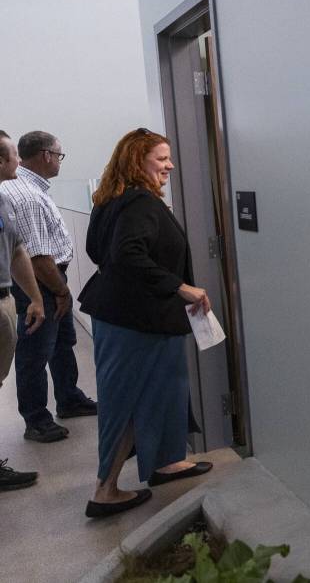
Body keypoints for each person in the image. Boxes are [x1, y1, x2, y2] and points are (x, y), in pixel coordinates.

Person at [78, 128, 213, 518]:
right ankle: (105, 490)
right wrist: (180, 286)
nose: (170, 165)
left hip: (131, 316)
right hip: (136, 320)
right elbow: (127, 255)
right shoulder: (140, 204)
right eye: (162, 159)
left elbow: (96, 250)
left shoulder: (111, 200)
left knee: (165, 389)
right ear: (139, 161)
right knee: (129, 399)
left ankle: (166, 462)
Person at [0, 131, 96, 443]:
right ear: (45, 155)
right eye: (59, 155)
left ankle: (68, 398)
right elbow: (38, 256)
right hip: (44, 282)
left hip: (50, 279)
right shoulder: (26, 194)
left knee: (61, 342)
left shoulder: (28, 188)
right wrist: (59, 291)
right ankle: (37, 419)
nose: (59, 161)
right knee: (36, 352)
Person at [0, 132, 46, 491]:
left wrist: (35, 297)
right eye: (14, 154)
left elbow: (17, 251)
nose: (18, 160)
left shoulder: (1, 201)